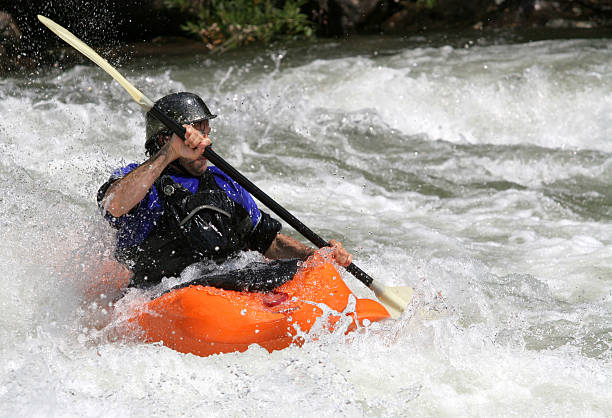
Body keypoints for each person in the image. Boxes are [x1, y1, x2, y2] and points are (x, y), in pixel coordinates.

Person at [98, 92, 352, 291]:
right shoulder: (141, 178)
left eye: (206, 130)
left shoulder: (223, 181)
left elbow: (267, 241)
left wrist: (316, 255)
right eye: (197, 132)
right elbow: (114, 205)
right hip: (164, 290)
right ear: (166, 139)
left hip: (226, 282)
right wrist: (169, 154)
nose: (206, 141)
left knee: (298, 270)